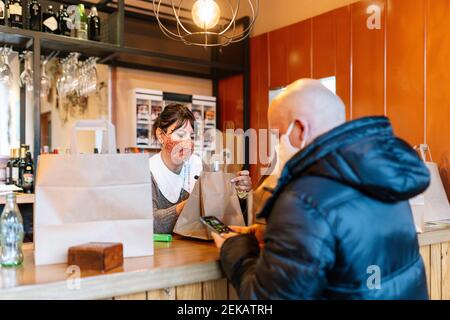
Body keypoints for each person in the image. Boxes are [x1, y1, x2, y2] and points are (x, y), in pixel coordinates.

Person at [212, 79, 430, 300]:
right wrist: (275, 235)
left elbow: (267, 299)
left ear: (300, 128)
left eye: (277, 135)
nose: (277, 144)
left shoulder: (302, 200)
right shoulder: (383, 174)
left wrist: (236, 249)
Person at [150, 104, 252, 234]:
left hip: (196, 248)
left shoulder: (199, 165)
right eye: (180, 134)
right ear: (160, 135)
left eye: (191, 136)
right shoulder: (150, 171)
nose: (187, 142)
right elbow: (150, 224)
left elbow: (222, 212)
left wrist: (240, 193)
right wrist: (186, 206)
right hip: (161, 252)